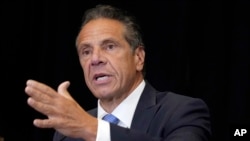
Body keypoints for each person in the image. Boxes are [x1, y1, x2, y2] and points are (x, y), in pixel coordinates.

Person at [25, 4, 211, 141]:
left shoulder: (181, 111)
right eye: (86, 51)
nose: (95, 59)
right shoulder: (68, 133)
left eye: (110, 47)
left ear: (138, 58)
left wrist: (93, 129)